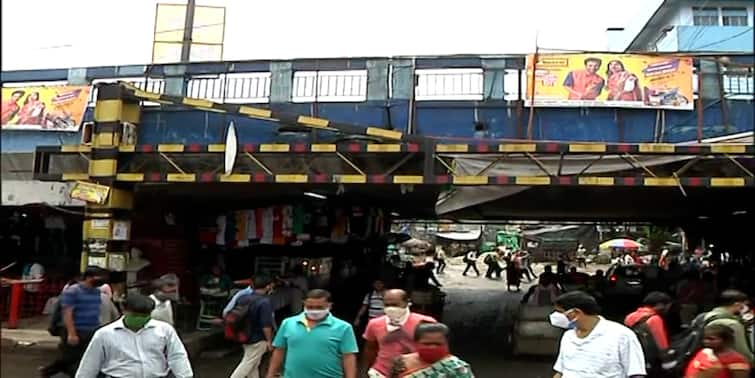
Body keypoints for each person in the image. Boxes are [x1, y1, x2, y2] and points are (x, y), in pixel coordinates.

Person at [74, 293, 193, 378]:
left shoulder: (164, 330)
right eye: (136, 314)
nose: (140, 318)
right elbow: (90, 363)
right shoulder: (105, 334)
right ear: (124, 310)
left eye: (144, 315)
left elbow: (177, 356)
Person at [551, 291, 646, 378]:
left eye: (560, 312)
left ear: (576, 313)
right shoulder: (568, 337)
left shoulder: (621, 335)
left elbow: (636, 374)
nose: (554, 316)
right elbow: (561, 371)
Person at [266, 289, 358, 378]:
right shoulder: (288, 323)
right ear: (304, 304)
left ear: (330, 306)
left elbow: (348, 357)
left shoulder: (343, 328)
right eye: (310, 307)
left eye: (319, 307)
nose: (314, 310)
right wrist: (270, 375)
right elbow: (279, 351)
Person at [41, 266, 107, 377]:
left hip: (91, 329)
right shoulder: (73, 291)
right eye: (98, 277)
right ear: (88, 277)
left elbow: (96, 310)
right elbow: (67, 313)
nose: (101, 280)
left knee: (85, 356)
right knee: (69, 357)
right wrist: (72, 333)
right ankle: (49, 371)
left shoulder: (96, 292)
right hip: (76, 329)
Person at [363, 289, 437, 378]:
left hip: (416, 373)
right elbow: (370, 349)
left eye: (395, 305)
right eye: (387, 305)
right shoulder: (374, 324)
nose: (391, 308)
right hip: (381, 373)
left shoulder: (424, 322)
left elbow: (434, 350)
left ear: (407, 302)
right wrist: (370, 369)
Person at [230, 275, 276, 378]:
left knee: (253, 365)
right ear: (268, 286)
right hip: (258, 338)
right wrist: (269, 340)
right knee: (248, 363)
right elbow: (266, 324)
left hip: (243, 335)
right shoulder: (265, 302)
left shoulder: (243, 298)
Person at [390, 323, 474, 378]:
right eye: (426, 344)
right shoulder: (401, 362)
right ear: (416, 343)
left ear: (447, 344)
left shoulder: (457, 367)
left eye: (438, 344)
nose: (432, 347)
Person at [684, 323, 751, 378]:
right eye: (705, 338)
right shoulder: (704, 352)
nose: (706, 341)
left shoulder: (736, 360)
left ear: (725, 340)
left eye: (711, 339)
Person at [705, 290, 754, 363]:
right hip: (728, 367)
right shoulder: (732, 324)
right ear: (737, 304)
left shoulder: (704, 316)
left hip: (708, 361)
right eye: (744, 304)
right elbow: (743, 353)